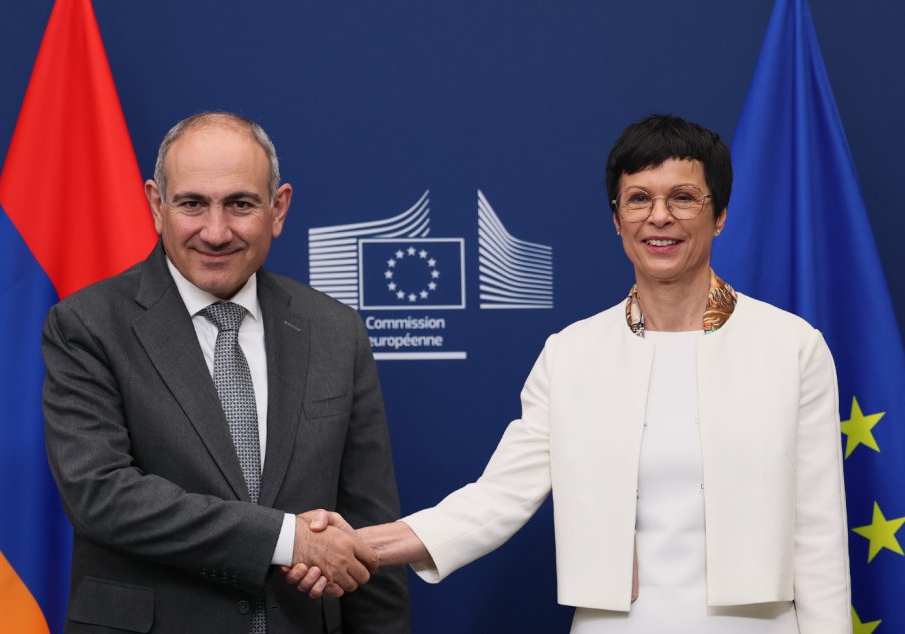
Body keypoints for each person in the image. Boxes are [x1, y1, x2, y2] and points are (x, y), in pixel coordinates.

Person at [288, 114, 851, 632]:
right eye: (639, 199)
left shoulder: (792, 347)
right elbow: (498, 498)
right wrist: (358, 543)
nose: (660, 217)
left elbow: (820, 536)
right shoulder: (573, 354)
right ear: (617, 219)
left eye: (683, 198)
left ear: (720, 215)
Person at [42, 111, 409, 633]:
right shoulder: (87, 325)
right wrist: (287, 539)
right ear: (157, 206)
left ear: (278, 209)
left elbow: (368, 531)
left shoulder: (335, 331)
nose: (215, 232)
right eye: (192, 204)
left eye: (240, 204)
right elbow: (101, 495)